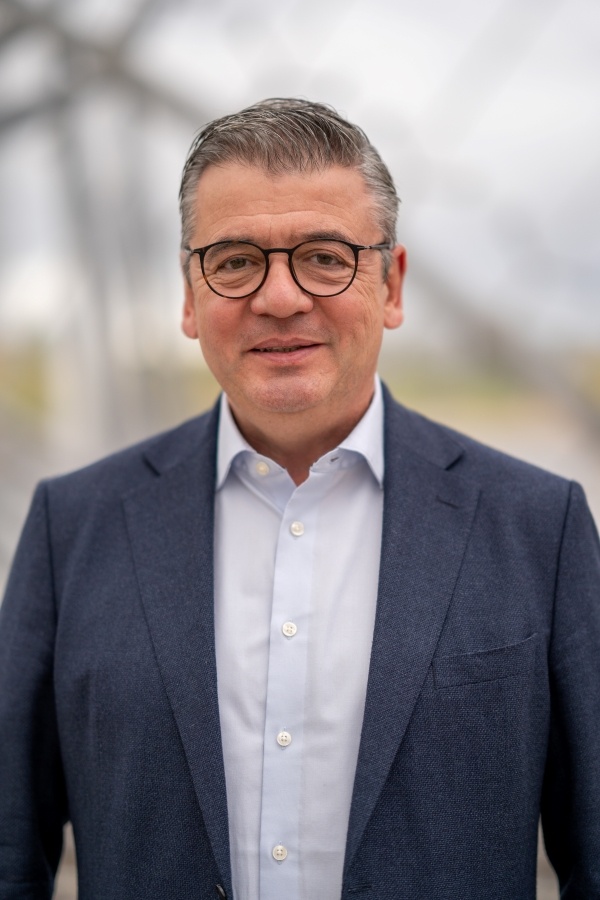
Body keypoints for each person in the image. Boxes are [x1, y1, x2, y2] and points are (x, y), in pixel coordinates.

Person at [0, 98, 599, 900]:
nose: (280, 297)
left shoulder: (539, 529)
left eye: (324, 257)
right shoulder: (70, 530)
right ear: (189, 296)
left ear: (391, 284)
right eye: (235, 261)